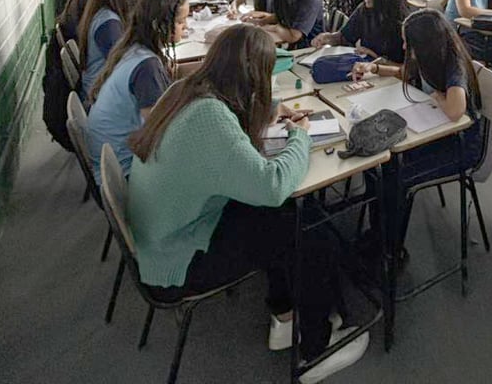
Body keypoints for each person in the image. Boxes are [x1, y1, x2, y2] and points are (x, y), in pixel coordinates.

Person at [126, 24, 369, 379]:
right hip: (179, 259)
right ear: (252, 74)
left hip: (169, 232)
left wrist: (269, 110)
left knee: (285, 215)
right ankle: (318, 350)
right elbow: (272, 185)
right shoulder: (210, 118)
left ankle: (285, 317)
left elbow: (232, 127)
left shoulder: (185, 89)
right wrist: (298, 138)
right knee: (306, 228)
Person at [350, 9, 481, 244]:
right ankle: (378, 232)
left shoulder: (453, 62)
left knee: (394, 175)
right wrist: (375, 69)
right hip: (433, 131)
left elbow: (455, 109)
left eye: (406, 43)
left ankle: (391, 246)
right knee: (379, 166)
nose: (403, 48)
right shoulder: (431, 56)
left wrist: (439, 98)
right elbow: (405, 72)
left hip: (460, 145)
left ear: (424, 44)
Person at [85, 0, 187, 184]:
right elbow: (160, 129)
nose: (186, 27)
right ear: (160, 26)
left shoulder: (134, 49)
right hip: (126, 170)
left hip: (112, 160)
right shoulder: (147, 67)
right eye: (181, 22)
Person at [77, 0, 149, 101]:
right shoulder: (109, 24)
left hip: (104, 89)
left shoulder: (107, 12)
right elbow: (127, 66)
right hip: (100, 96)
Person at [313, 0, 409, 62]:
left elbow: (408, 70)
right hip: (364, 70)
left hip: (389, 75)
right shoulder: (365, 10)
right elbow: (345, 37)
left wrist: (375, 58)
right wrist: (328, 38)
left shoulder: (404, 24)